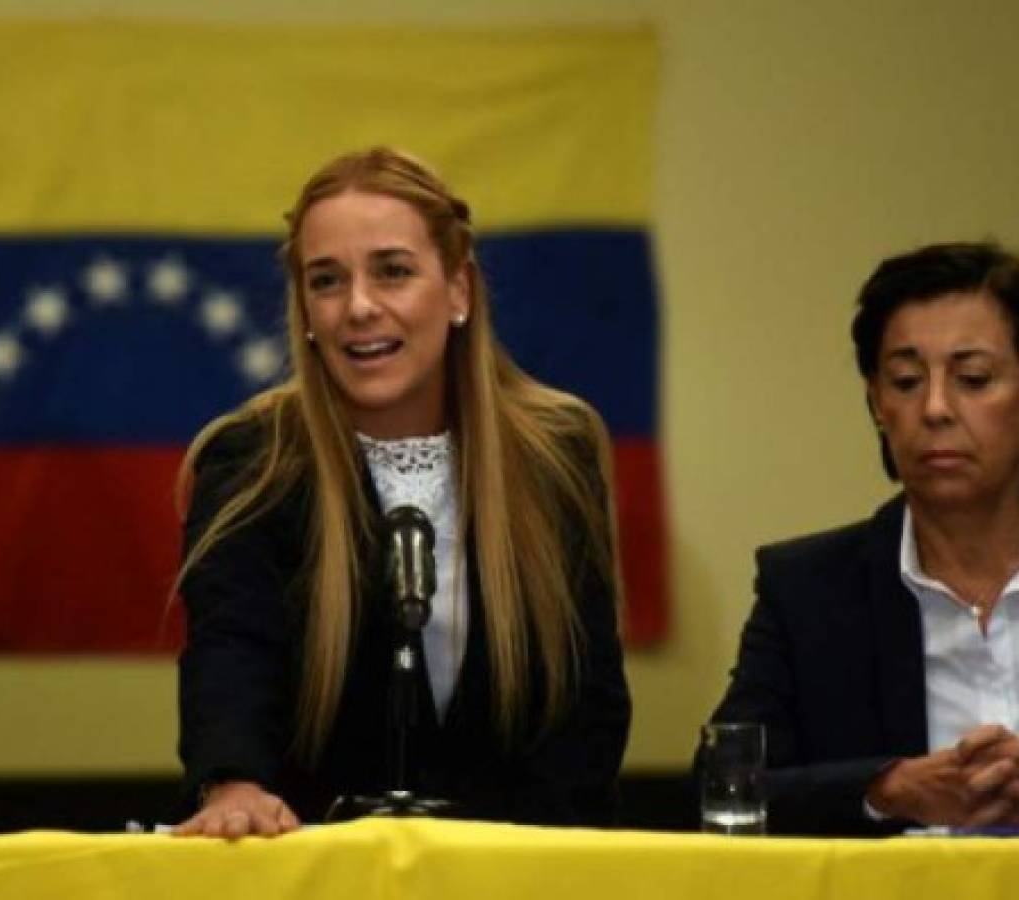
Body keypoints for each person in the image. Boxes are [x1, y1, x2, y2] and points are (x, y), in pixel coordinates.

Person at [172, 147, 631, 839]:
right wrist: (236, 785)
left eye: (392, 272)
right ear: (304, 309)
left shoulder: (554, 452)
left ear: (458, 290)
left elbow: (585, 700)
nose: (359, 307)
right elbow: (232, 649)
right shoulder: (250, 460)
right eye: (327, 281)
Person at [705, 242, 1019, 835]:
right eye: (905, 381)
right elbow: (725, 783)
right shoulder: (809, 591)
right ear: (876, 402)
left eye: (973, 379)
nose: (934, 408)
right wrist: (886, 790)